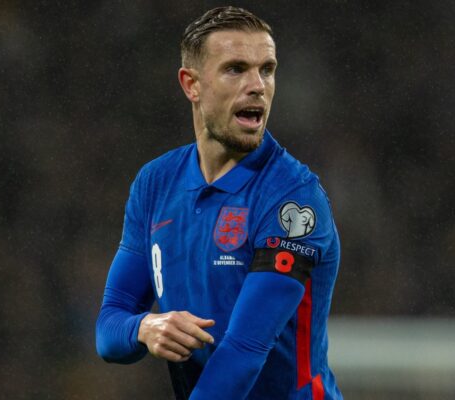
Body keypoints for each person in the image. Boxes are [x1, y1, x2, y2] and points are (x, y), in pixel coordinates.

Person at [95, 6, 342, 399]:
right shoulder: (155, 184)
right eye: (235, 69)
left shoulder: (291, 199)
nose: (257, 85)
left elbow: (244, 351)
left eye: (267, 69)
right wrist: (143, 328)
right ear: (191, 84)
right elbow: (109, 329)